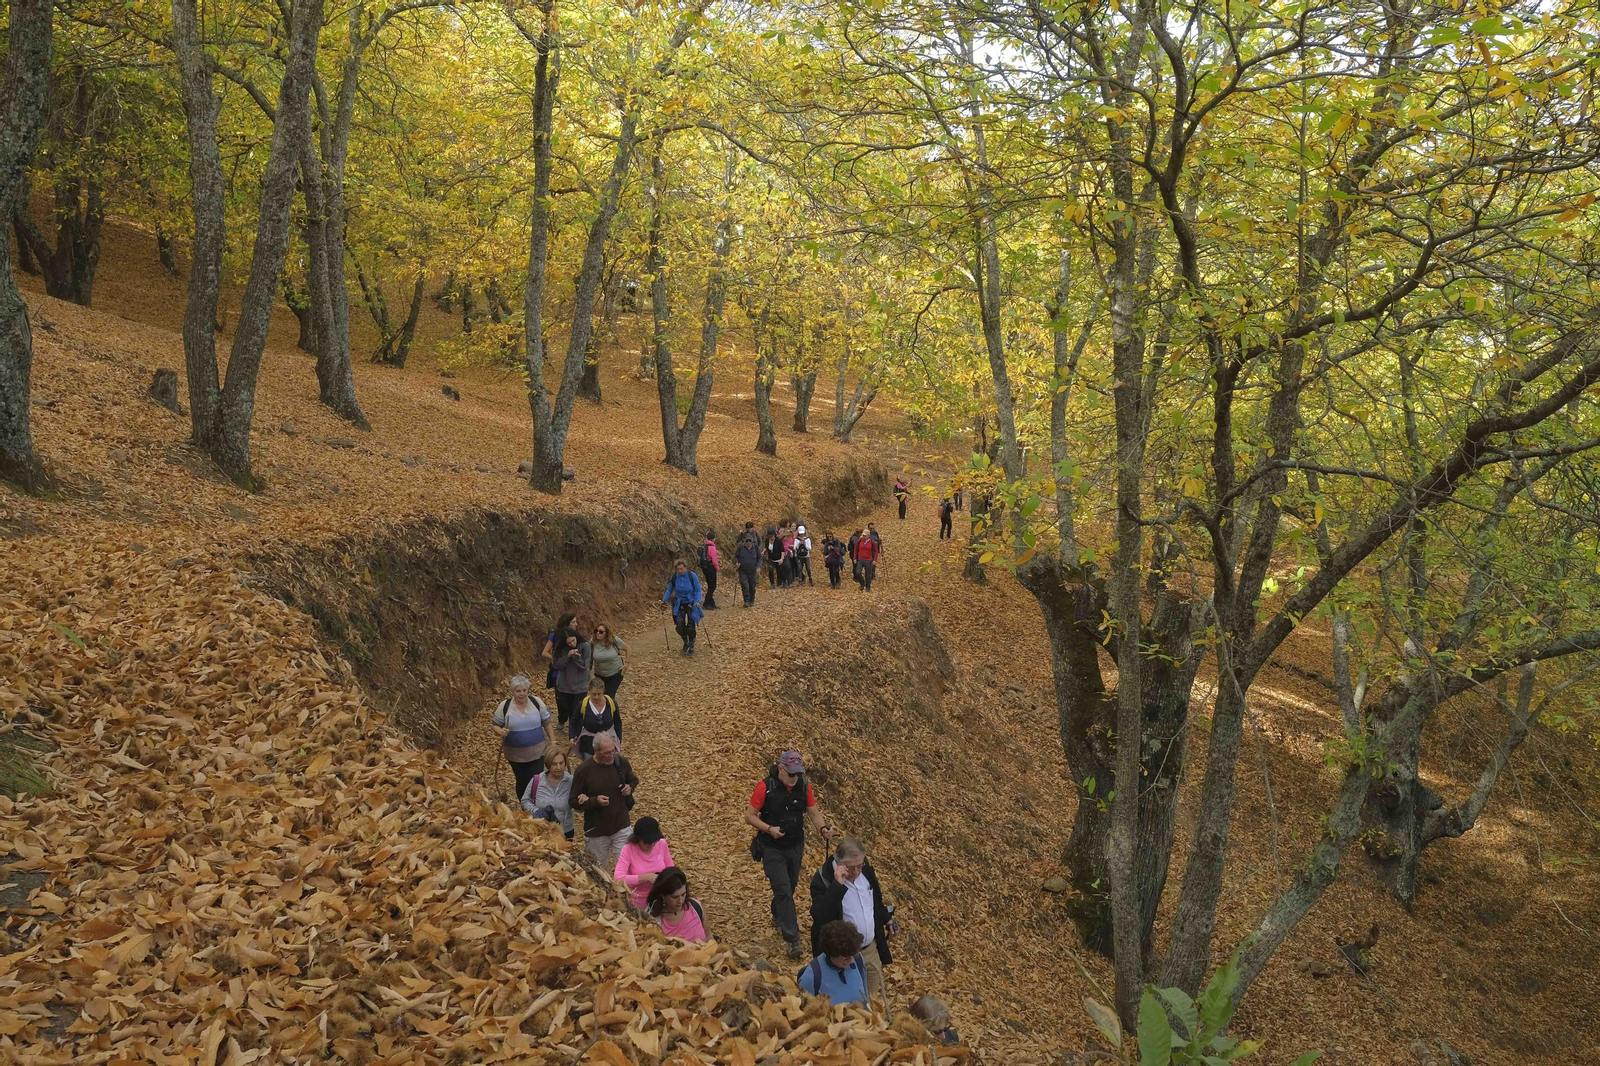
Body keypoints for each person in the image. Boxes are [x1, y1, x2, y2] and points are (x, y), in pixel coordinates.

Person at [745, 749, 834, 959]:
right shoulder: (765, 787)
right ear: (781, 768)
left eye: (798, 773)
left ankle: (778, 913)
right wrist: (769, 829)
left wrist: (823, 828)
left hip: (795, 845)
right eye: (792, 773)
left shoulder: (804, 786)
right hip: (771, 846)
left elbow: (813, 812)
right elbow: (749, 816)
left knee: (790, 887)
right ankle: (792, 939)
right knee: (784, 890)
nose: (795, 778)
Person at [810, 838, 895, 1016]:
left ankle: (870, 1022)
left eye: (860, 865)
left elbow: (875, 900)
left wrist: (886, 918)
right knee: (849, 998)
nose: (856, 871)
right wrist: (837, 886)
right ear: (839, 862)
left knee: (871, 994)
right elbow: (820, 917)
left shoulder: (865, 871)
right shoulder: (823, 879)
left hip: (869, 948)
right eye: (851, 868)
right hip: (844, 955)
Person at [571, 734, 638, 868]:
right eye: (607, 753)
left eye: (613, 750)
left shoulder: (620, 762)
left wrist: (629, 788)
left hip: (621, 825)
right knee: (599, 872)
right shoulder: (584, 770)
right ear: (596, 751)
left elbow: (633, 779)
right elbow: (573, 800)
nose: (612, 755)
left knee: (628, 868)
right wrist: (594, 801)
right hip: (596, 831)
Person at [489, 675, 552, 800]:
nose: (522, 694)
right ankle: (524, 805)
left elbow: (547, 722)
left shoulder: (536, 702)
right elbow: (495, 725)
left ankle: (535, 804)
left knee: (536, 779)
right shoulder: (505, 706)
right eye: (518, 691)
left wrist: (553, 741)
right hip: (515, 754)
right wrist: (500, 731)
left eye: (524, 690)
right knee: (522, 780)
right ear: (512, 692)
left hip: (537, 751)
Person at [797, 921, 870, 1007]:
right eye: (846, 958)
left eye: (853, 955)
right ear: (832, 954)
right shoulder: (812, 978)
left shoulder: (858, 960)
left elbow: (865, 997)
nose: (851, 961)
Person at [613, 816, 675, 910]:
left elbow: (671, 869)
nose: (652, 845)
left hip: (660, 896)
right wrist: (645, 877)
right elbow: (618, 878)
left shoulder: (661, 844)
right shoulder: (629, 849)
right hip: (637, 900)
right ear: (638, 839)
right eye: (648, 843)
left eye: (655, 841)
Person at [520, 748, 574, 840]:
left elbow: (578, 804)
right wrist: (537, 811)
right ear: (548, 765)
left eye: (561, 763)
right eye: (554, 764)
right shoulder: (537, 781)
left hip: (565, 832)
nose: (558, 767)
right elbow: (525, 800)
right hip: (541, 831)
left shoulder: (571, 781)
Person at [647, 866, 709, 943]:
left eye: (683, 894)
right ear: (663, 895)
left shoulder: (696, 907)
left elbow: (709, 937)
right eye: (675, 897)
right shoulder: (654, 921)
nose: (680, 901)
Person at [660, 560, 705, 656]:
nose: (680, 571)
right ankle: (686, 642)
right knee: (680, 626)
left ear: (685, 567)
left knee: (690, 626)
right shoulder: (675, 576)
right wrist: (664, 600)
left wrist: (697, 601)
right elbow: (669, 589)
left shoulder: (692, 576)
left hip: (691, 602)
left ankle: (691, 645)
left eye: (681, 569)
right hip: (679, 603)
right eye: (678, 569)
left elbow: (698, 590)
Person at [551, 622, 592, 728]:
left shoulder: (585, 646)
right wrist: (567, 656)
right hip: (565, 685)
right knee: (567, 708)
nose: (572, 644)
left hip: (581, 684)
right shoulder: (561, 649)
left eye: (573, 640)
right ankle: (567, 722)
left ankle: (576, 730)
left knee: (577, 709)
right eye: (569, 643)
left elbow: (585, 666)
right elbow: (556, 665)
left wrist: (576, 657)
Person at [570, 677, 622, 758]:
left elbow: (618, 722)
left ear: (603, 692)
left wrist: (619, 739)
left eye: (599, 694)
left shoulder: (611, 703)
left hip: (608, 745)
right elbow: (573, 722)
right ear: (589, 691)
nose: (596, 697)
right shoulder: (583, 705)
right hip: (588, 746)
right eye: (593, 694)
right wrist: (572, 737)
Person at [590, 623, 628, 702]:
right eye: (596, 631)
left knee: (609, 697)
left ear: (606, 633)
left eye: (601, 632)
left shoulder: (615, 641)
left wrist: (626, 664)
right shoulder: (593, 642)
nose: (597, 633)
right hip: (599, 674)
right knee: (600, 696)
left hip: (615, 673)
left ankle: (612, 713)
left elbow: (628, 649)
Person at [541, 612, 577, 692]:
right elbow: (545, 652)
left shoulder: (576, 635)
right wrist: (558, 659)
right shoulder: (555, 635)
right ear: (567, 624)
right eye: (573, 622)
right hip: (558, 673)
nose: (576, 624)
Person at [736, 527, 763, 607]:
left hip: (752, 570)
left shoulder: (755, 547)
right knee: (745, 585)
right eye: (747, 541)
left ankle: (751, 600)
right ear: (744, 541)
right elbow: (735, 556)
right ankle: (746, 601)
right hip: (742, 570)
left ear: (752, 541)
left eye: (750, 541)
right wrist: (737, 562)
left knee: (752, 586)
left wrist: (759, 566)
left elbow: (759, 557)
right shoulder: (741, 547)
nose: (748, 543)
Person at [855, 523, 882, 592]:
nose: (863, 537)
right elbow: (856, 549)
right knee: (858, 572)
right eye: (863, 535)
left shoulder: (872, 542)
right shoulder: (860, 541)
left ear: (868, 536)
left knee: (868, 575)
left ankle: (868, 586)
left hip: (868, 560)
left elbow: (876, 551)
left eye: (864, 535)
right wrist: (855, 558)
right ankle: (862, 583)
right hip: (860, 559)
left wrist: (874, 560)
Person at [698, 530, 721, 610]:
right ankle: (706, 603)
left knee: (710, 585)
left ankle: (712, 603)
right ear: (713, 539)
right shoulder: (712, 548)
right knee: (712, 586)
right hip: (711, 568)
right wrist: (717, 568)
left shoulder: (705, 546)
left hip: (705, 568)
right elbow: (714, 561)